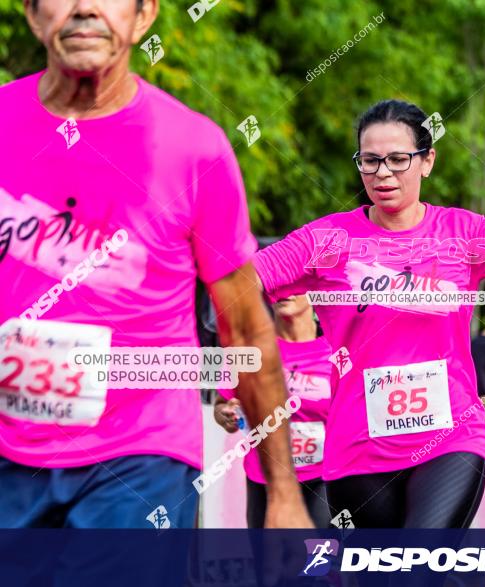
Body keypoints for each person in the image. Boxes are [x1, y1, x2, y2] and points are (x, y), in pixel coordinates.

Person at [0, 0, 310, 528]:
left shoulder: (194, 148)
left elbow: (244, 327)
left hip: (141, 452)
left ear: (144, 17)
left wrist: (283, 491)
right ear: (32, 14)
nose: (84, 10)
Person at [253, 99, 485, 528]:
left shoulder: (463, 233)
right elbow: (241, 280)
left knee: (423, 561)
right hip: (358, 446)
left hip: (450, 439)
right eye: (369, 161)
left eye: (397, 160)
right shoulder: (327, 238)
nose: (382, 173)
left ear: (427, 161)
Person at [214, 296, 332, 528]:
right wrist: (226, 414)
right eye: (278, 287)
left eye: (294, 287)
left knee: (318, 563)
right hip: (264, 479)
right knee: (269, 564)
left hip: (321, 479)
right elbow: (221, 405)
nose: (283, 293)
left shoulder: (336, 350)